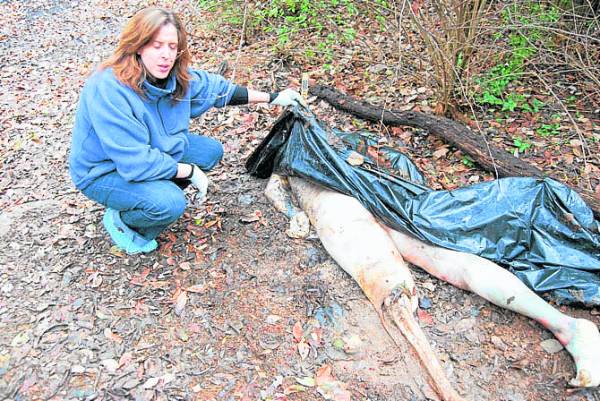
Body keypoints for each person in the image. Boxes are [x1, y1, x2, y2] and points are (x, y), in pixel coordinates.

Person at [69, 7, 305, 254]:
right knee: (170, 203)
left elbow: (218, 90)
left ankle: (142, 196)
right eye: (156, 45)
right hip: (103, 170)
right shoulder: (109, 89)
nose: (165, 55)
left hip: (150, 148)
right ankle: (125, 222)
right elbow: (135, 161)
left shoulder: (172, 78)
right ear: (138, 46)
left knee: (209, 152)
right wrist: (189, 171)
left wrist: (275, 97)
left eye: (172, 47)